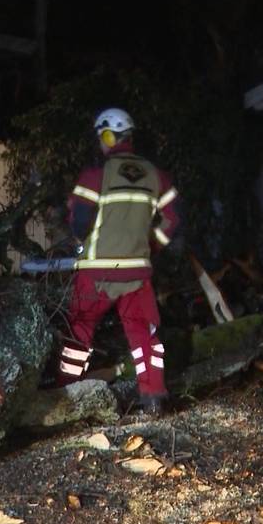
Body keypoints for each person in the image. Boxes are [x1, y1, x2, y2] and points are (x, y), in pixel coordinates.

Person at [56, 107, 181, 416]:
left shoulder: (95, 175)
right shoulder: (156, 175)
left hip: (95, 271)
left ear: (107, 136)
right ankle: (153, 397)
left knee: (79, 335)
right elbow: (173, 220)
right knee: (144, 336)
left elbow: (79, 222)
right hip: (137, 272)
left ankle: (65, 397)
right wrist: (150, 247)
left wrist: (78, 237)